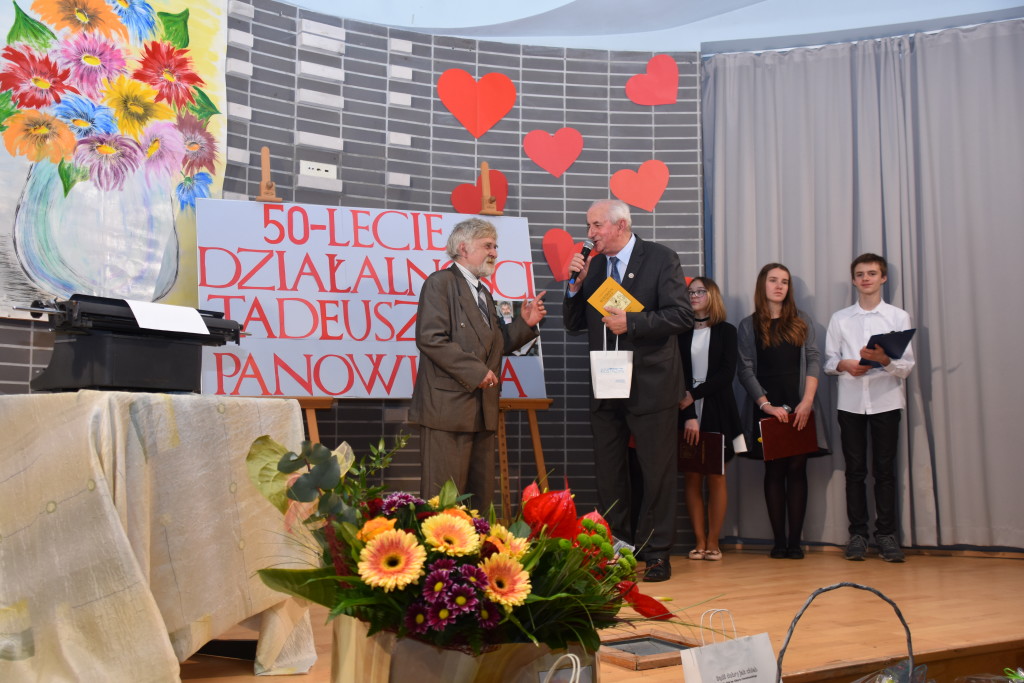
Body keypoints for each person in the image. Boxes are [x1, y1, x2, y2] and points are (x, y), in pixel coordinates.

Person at [564, 199, 692, 582]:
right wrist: (575, 287)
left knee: (657, 472)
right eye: (589, 226)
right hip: (606, 383)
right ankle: (616, 552)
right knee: (609, 473)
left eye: (596, 225)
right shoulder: (594, 267)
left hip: (651, 384)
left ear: (620, 225)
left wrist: (632, 323)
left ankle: (657, 553)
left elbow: (682, 315)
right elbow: (573, 324)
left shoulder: (661, 258)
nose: (590, 234)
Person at [410, 217, 547, 511]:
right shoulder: (440, 283)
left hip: (482, 411)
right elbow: (431, 339)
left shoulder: (483, 292)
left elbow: (495, 345)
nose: (494, 252)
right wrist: (476, 372)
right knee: (442, 503)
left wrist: (525, 324)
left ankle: (474, 544)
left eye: (495, 246)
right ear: (463, 248)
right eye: (488, 246)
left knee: (478, 502)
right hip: (446, 412)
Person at [824, 253, 915, 563]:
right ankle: (858, 535)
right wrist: (845, 365)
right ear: (853, 280)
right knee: (855, 472)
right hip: (850, 404)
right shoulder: (840, 318)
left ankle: (887, 536)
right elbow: (828, 361)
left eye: (872, 273)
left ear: (883, 278)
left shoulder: (898, 317)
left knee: (885, 472)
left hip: (886, 402)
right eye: (860, 274)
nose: (866, 278)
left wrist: (885, 360)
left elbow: (906, 367)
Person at [737, 263, 821, 560]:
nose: (779, 286)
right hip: (767, 407)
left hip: (799, 406)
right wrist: (765, 405)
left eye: (784, 282)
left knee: (797, 470)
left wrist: (807, 401)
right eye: (773, 280)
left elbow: (813, 359)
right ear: (763, 285)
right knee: (773, 470)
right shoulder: (748, 325)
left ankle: (795, 543)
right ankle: (779, 542)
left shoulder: (801, 320)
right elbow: (745, 369)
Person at [679, 277, 745, 562]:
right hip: (686, 411)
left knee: (717, 476)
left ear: (712, 296)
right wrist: (689, 412)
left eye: (700, 291)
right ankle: (699, 541)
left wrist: (694, 395)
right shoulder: (679, 332)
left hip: (717, 409)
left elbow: (727, 374)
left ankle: (714, 542)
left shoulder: (727, 331)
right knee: (692, 475)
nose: (694, 296)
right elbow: (678, 373)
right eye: (690, 292)